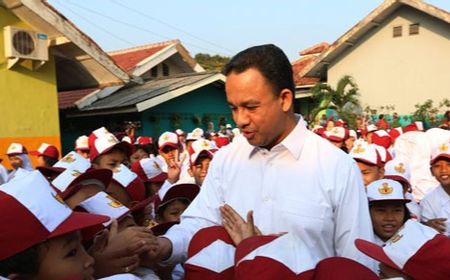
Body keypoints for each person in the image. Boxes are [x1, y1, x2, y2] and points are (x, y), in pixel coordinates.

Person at [152, 44, 375, 269]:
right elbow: (201, 224)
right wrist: (164, 246)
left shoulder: (336, 166)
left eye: (251, 107)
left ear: (285, 99)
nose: (240, 120)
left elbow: (355, 263)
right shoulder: (226, 160)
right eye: (234, 108)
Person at [366, 179, 411, 246]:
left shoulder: (416, 244)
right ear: (367, 212)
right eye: (381, 210)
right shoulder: (354, 244)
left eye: (397, 210)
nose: (389, 218)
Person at [420, 141, 450, 236]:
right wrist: (428, 226)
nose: (443, 170)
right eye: (437, 166)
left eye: (449, 164)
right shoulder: (428, 202)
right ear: (431, 171)